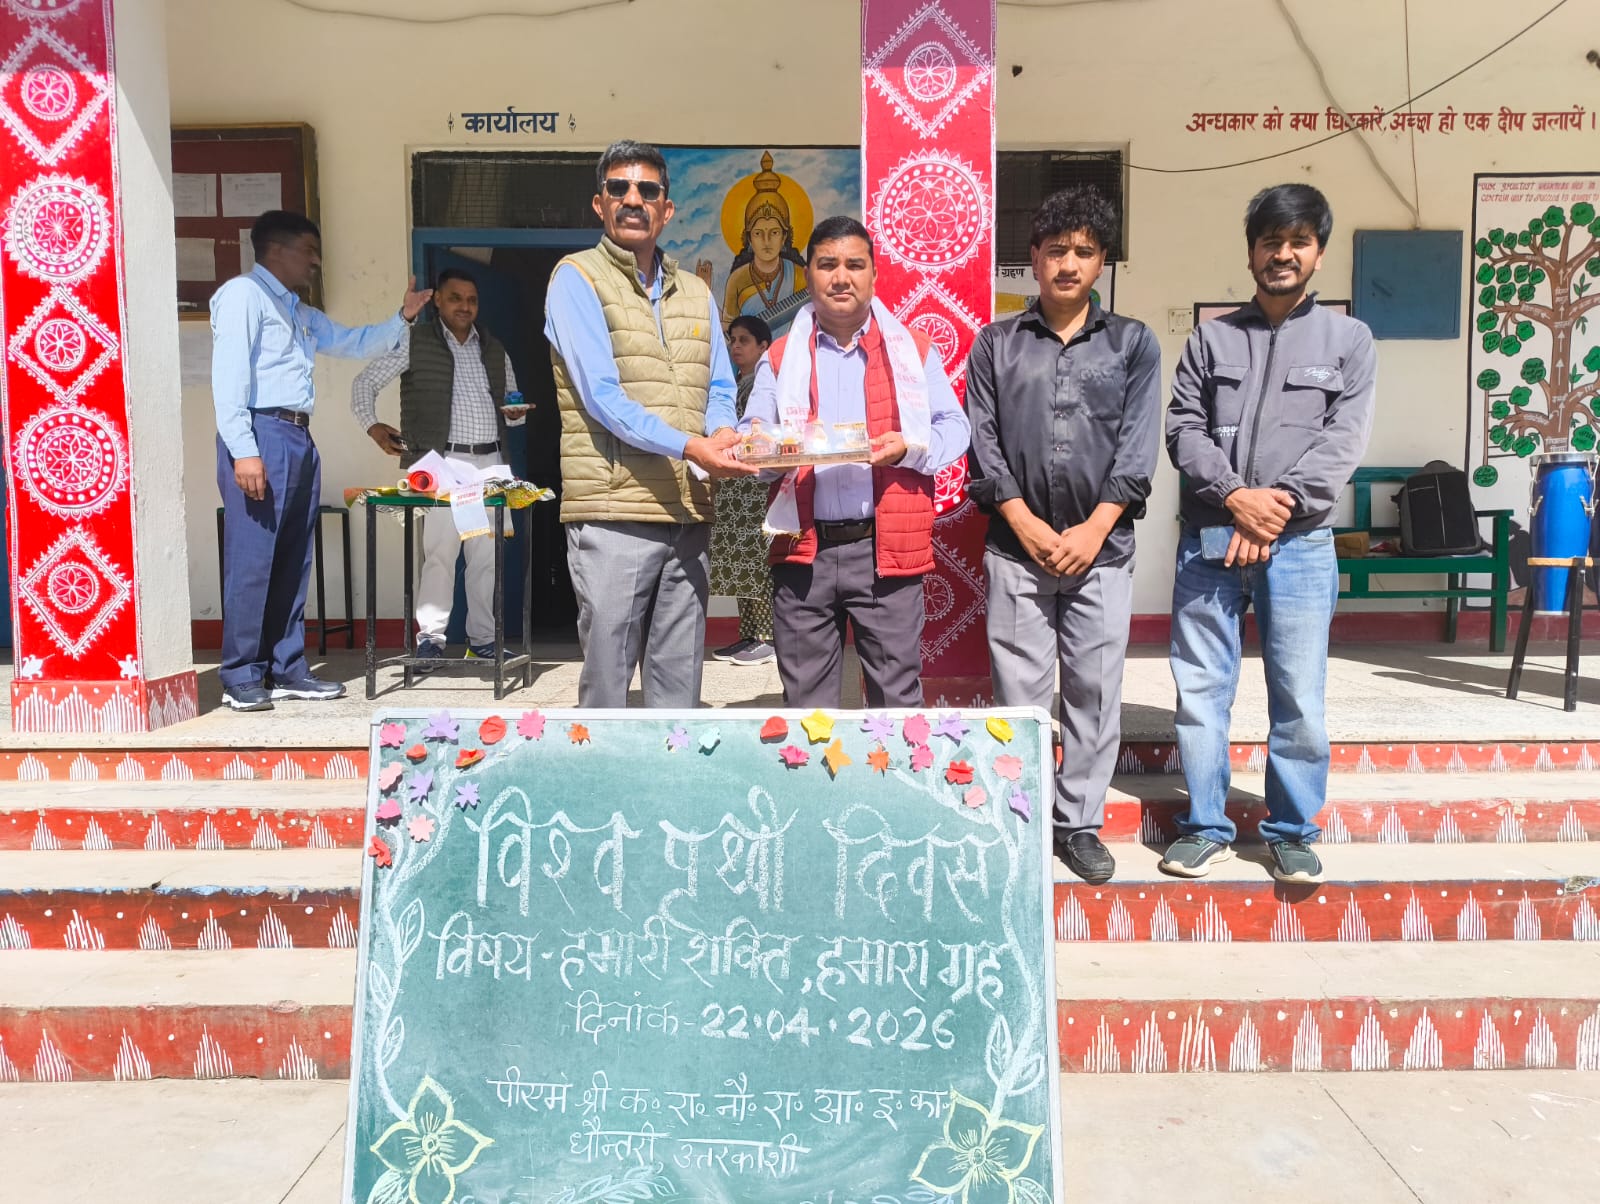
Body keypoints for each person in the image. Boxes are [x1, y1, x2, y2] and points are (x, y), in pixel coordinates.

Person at [1160, 183, 1377, 884]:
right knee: (1200, 694)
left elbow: (1344, 441)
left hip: (1300, 546)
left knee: (1299, 697)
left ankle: (1291, 831)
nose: (1283, 254)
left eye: (1298, 242)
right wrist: (1234, 497)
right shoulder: (1212, 337)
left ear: (1318, 253)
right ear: (1251, 250)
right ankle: (1206, 826)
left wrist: (1273, 509)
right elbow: (1183, 429)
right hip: (1210, 539)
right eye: (1270, 241)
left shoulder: (1349, 341)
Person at [966, 188, 1161, 885]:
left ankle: (1078, 823)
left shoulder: (1133, 343)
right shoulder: (996, 344)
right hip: (1015, 552)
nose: (1069, 264)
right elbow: (983, 444)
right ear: (1034, 258)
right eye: (1056, 250)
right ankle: (1020, 821)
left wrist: (1095, 527)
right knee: (1019, 698)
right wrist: (1023, 521)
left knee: (1093, 692)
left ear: (1102, 261)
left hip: (1101, 553)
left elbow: (1138, 448)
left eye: (1084, 251)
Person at [544, 140, 754, 708]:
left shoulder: (696, 292)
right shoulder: (576, 279)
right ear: (600, 204)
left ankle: (672, 770)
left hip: (687, 515)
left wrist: (722, 433)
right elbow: (603, 398)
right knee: (608, 687)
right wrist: (692, 447)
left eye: (647, 190)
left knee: (678, 688)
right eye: (619, 188)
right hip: (615, 512)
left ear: (667, 208)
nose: (633, 200)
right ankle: (601, 767)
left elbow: (719, 386)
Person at [744, 216, 971, 708]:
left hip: (886, 554)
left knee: (896, 703)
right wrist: (769, 449)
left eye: (854, 265)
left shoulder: (912, 351)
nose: (841, 277)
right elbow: (751, 437)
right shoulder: (781, 357)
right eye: (827, 264)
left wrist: (909, 448)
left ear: (874, 274)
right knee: (808, 709)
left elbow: (956, 427)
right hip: (804, 553)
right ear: (809, 275)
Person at [211, 210, 431, 712]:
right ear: (277, 250)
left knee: (293, 559)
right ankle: (241, 676)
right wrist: (245, 451)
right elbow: (229, 380)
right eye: (308, 251)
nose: (315, 262)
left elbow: (353, 342)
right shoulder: (244, 295)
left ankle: (286, 668)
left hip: (296, 436)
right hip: (260, 433)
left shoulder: (297, 310)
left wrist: (402, 318)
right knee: (253, 561)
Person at [350, 268, 530, 666]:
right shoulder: (414, 342)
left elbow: (512, 407)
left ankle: (482, 640)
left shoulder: (494, 349)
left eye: (472, 300)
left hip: (490, 465)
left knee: (486, 558)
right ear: (438, 302)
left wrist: (515, 414)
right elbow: (364, 383)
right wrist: (372, 426)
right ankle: (430, 639)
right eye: (455, 298)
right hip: (444, 464)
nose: (465, 306)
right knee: (440, 554)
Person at [710, 315, 778, 666]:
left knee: (758, 560)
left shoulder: (764, 388)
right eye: (732, 340)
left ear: (764, 346)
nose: (736, 346)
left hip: (756, 486)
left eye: (744, 340)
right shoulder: (735, 385)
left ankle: (767, 636)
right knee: (739, 560)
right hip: (734, 488)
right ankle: (750, 633)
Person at [722, 151, 810, 336]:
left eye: (774, 232)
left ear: (785, 236)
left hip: (791, 354)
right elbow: (728, 334)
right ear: (748, 238)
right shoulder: (737, 280)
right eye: (758, 233)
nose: (766, 241)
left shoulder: (799, 276)